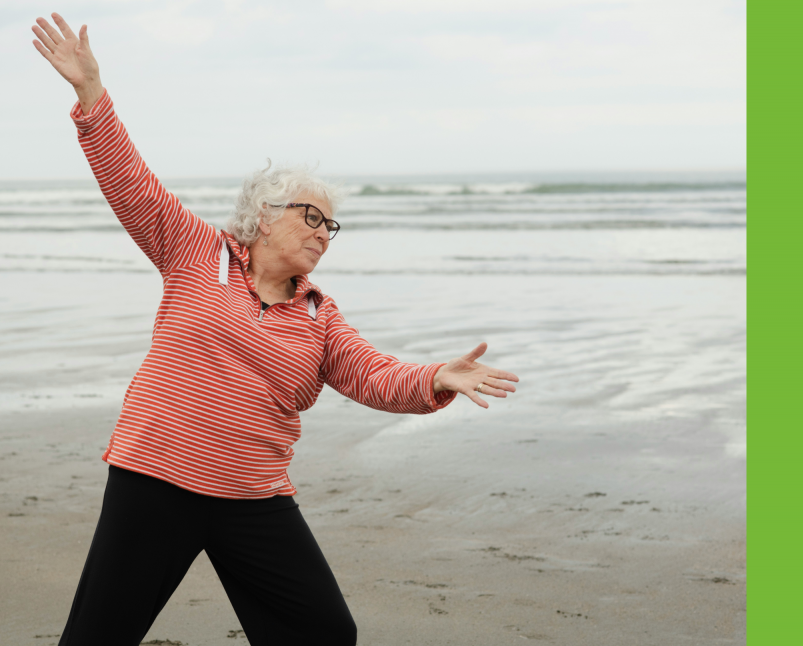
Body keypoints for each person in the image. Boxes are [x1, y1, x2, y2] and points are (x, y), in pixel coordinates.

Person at [31, 12, 520, 646]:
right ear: (263, 216)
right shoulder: (195, 251)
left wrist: (435, 377)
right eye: (311, 215)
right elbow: (132, 184)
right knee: (98, 635)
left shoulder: (320, 314)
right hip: (156, 479)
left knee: (323, 632)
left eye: (331, 225)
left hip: (252, 496)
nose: (323, 232)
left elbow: (372, 374)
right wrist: (91, 93)